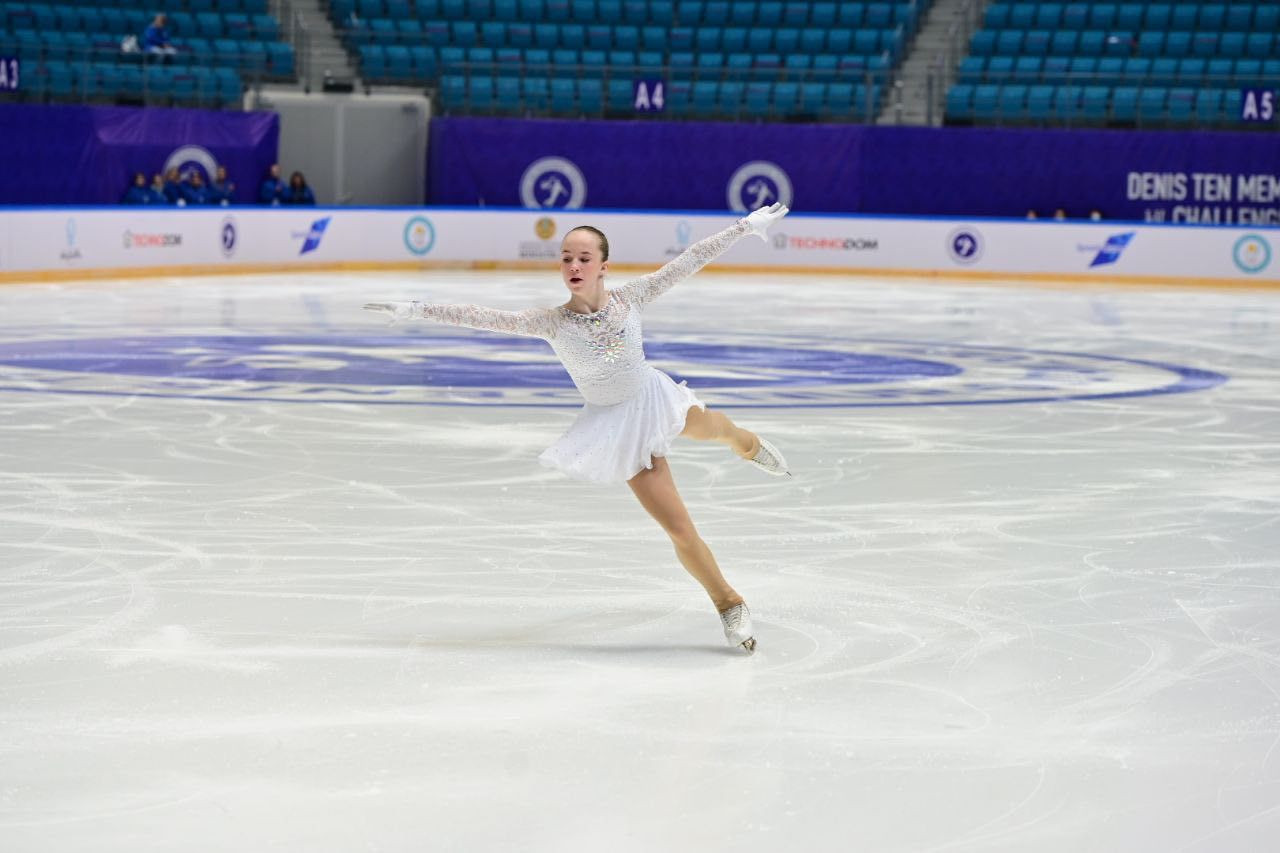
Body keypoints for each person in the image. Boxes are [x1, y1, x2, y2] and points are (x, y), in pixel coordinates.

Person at [362, 203, 792, 653]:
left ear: (603, 266)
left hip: (654, 398)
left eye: (584, 258)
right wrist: (416, 309)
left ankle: (751, 446)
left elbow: (689, 260)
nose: (574, 265)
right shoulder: (550, 322)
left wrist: (744, 227)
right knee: (680, 530)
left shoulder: (633, 297)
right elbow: (481, 315)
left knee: (722, 430)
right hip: (617, 429)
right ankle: (728, 603)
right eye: (567, 257)